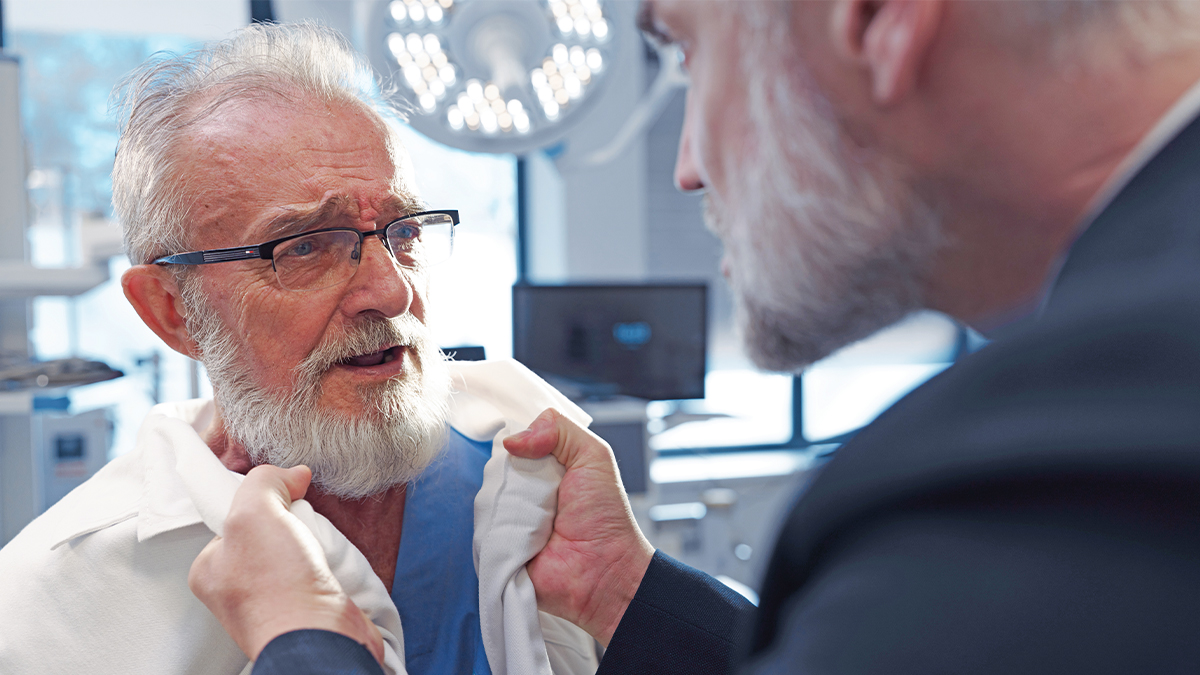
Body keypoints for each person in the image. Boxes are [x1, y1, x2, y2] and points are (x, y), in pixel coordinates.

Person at [194, 1, 1200, 673]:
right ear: (169, 309)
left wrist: (304, 645)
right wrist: (629, 594)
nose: (686, 167)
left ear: (875, 16)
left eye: (688, 48)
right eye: (304, 246)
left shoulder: (1064, 486)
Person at [0, 22, 598, 675]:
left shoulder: (547, 469)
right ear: (172, 312)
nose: (391, 292)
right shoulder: (52, 605)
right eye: (306, 245)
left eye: (402, 232)